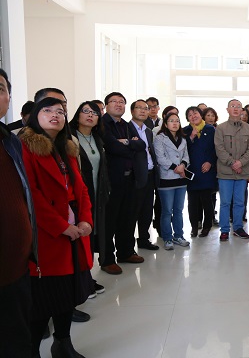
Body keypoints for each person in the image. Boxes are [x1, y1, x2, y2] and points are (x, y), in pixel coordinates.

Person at [20, 97, 94, 357]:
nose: (55, 115)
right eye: (48, 110)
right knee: (44, 300)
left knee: (68, 294)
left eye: (61, 111)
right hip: (47, 234)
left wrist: (86, 219)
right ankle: (31, 351)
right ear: (35, 116)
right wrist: (61, 226)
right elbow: (31, 194)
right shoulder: (26, 148)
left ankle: (62, 343)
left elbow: (81, 189)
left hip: (74, 230)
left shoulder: (66, 148)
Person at [0, 69, 36, 358]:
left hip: (18, 265)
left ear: (8, 99)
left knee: (20, 342)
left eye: (0, 88)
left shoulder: (10, 142)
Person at [101, 92, 147, 275]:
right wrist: (129, 145)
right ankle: (107, 259)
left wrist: (125, 143)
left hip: (130, 178)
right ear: (106, 105)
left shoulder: (126, 125)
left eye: (121, 102)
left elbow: (141, 145)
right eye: (114, 101)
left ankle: (125, 252)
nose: (118, 104)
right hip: (112, 180)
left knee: (127, 218)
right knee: (109, 221)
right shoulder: (103, 124)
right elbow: (111, 147)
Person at [69, 101, 110, 296]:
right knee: (80, 237)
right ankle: (81, 282)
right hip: (78, 196)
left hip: (96, 195)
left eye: (94, 113)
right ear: (77, 115)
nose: (90, 115)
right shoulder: (69, 138)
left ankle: (86, 279)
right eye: (85, 111)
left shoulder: (97, 138)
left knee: (91, 236)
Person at [214, 99, 249, 241]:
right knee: (225, 202)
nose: (236, 108)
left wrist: (241, 163)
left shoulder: (248, 128)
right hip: (225, 172)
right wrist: (233, 163)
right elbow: (219, 149)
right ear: (227, 109)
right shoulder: (221, 128)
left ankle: (238, 228)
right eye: (233, 106)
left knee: (239, 202)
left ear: (242, 110)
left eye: (238, 106)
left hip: (242, 171)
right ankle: (224, 229)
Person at [154, 112, 191, 250]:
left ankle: (178, 236)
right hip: (167, 178)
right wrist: (176, 168)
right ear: (165, 123)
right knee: (167, 211)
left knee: (179, 210)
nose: (175, 123)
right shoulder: (159, 138)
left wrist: (183, 165)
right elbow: (160, 158)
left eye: (177, 121)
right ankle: (167, 238)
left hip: (181, 180)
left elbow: (186, 156)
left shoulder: (183, 138)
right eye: (171, 121)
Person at [129, 100, 160, 251]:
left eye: (145, 108)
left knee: (147, 210)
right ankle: (128, 245)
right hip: (135, 176)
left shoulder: (148, 131)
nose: (143, 111)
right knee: (132, 212)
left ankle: (143, 239)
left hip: (150, 174)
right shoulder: (126, 128)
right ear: (132, 111)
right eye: (139, 108)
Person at [183, 106, 217, 238]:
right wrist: (191, 137)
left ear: (201, 114)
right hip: (191, 171)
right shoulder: (185, 131)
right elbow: (182, 150)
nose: (193, 116)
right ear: (187, 118)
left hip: (207, 170)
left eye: (195, 113)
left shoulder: (210, 129)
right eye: (190, 115)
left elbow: (215, 149)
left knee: (207, 200)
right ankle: (194, 226)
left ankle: (207, 225)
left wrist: (210, 162)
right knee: (192, 202)